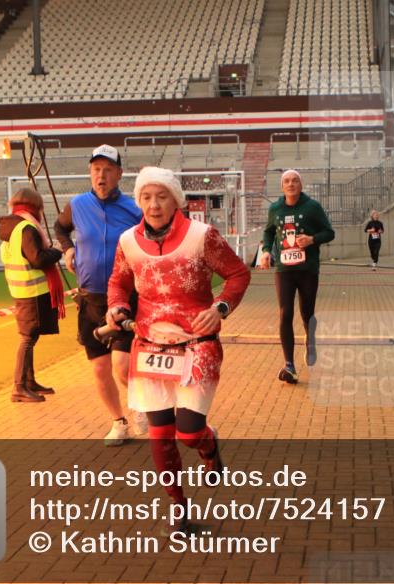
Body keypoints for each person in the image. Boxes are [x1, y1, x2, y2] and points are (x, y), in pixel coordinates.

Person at [105, 166, 250, 532]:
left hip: (196, 346)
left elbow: (238, 273)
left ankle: (208, 447)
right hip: (149, 345)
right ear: (138, 201)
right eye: (146, 197)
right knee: (159, 434)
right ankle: (179, 507)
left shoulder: (202, 236)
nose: (154, 205)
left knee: (187, 432)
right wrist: (117, 307)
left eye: (162, 196)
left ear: (176, 200)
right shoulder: (127, 242)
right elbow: (119, 282)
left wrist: (220, 308)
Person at [54, 144, 144, 445]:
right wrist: (67, 249)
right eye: (96, 170)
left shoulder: (134, 210)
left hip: (123, 298)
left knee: (121, 365)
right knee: (100, 369)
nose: (101, 175)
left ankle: (140, 404)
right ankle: (119, 422)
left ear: (119, 174)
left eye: (107, 170)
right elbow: (59, 227)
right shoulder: (77, 205)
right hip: (90, 298)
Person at [258, 169, 335, 384]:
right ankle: (289, 365)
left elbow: (329, 232)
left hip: (308, 268)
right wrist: (266, 251)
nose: (291, 184)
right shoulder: (275, 208)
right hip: (284, 270)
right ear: (282, 186)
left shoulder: (312, 207)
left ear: (301, 185)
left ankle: (310, 341)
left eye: (295, 181)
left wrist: (311, 239)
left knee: (307, 313)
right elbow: (269, 232)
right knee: (285, 313)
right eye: (286, 181)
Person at [0, 188, 65, 403]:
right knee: (28, 338)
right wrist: (57, 251)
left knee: (30, 336)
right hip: (32, 291)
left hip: (21, 289)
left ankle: (29, 381)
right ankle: (19, 386)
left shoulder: (10, 228)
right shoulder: (26, 228)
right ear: (35, 206)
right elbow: (37, 259)